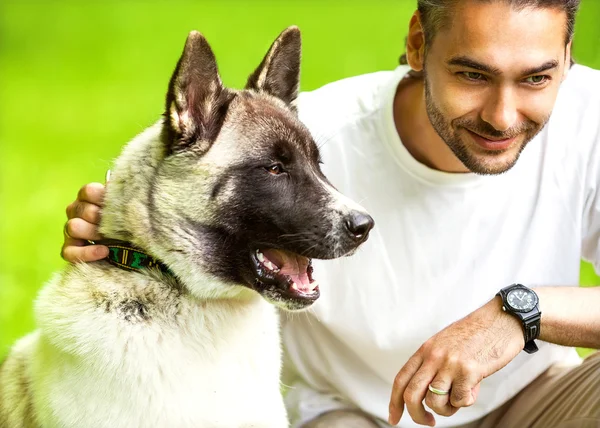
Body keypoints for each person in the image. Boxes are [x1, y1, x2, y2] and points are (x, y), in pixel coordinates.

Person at [61, 0, 600, 427]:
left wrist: (521, 312)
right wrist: (118, 223)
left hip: (536, 402)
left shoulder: (590, 121)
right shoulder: (295, 137)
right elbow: (177, 187)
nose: (503, 116)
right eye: (472, 75)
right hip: (353, 415)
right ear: (418, 43)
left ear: (568, 54)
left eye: (536, 78)